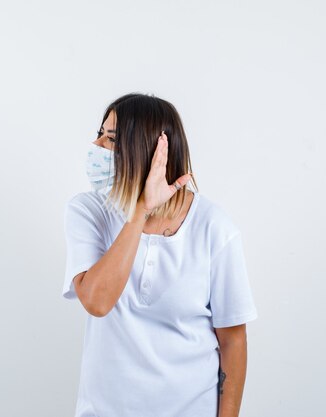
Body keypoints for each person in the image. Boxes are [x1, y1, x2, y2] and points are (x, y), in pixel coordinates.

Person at [62, 93, 258, 417]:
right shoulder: (87, 211)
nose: (95, 146)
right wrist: (141, 211)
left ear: (146, 154)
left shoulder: (214, 228)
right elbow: (97, 301)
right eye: (99, 134)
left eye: (109, 139)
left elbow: (233, 341)